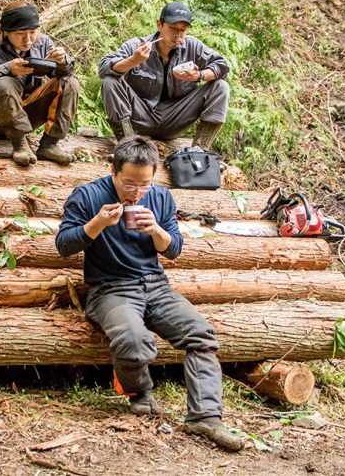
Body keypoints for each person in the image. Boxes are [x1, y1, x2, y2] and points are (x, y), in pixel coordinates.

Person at [55, 136, 244, 452]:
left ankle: (206, 417)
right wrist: (97, 223)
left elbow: (174, 250)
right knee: (133, 340)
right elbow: (64, 246)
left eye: (144, 184)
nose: (136, 192)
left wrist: (156, 230)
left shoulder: (160, 197)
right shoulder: (87, 196)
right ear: (113, 171)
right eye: (129, 184)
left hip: (155, 286)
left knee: (201, 335)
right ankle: (139, 393)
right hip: (110, 289)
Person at [98, 2, 230, 149]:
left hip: (176, 118)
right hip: (140, 117)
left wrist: (199, 75)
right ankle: (128, 146)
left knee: (221, 87)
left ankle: (200, 149)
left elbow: (223, 66)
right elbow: (104, 68)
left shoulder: (193, 46)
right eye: (173, 28)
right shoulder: (138, 45)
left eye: (183, 30)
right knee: (110, 82)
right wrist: (133, 61)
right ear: (160, 25)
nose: (177, 35)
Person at [0, 1, 79, 166]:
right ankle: (20, 145)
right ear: (6, 32)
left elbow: (66, 75)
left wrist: (61, 62)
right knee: (4, 83)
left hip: (28, 112)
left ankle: (50, 144)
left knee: (71, 83)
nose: (28, 39)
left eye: (33, 32)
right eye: (20, 33)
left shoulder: (42, 42)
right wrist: (6, 68)